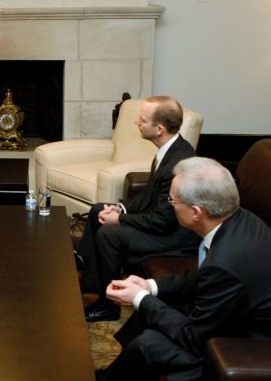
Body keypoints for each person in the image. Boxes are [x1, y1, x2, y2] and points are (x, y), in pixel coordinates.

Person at [99, 157, 271, 380]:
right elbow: (203, 277)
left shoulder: (226, 261)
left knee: (148, 344)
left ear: (196, 212)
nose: (170, 205)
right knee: (156, 303)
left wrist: (140, 298)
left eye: (172, 201)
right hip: (246, 321)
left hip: (266, 352)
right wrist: (149, 286)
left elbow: (193, 337)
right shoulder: (239, 220)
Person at [79, 96, 199, 322]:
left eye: (142, 120)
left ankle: (109, 305)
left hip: (173, 238)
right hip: (161, 222)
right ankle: (91, 280)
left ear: (159, 128)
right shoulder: (168, 149)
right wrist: (119, 208)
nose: (137, 122)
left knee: (109, 234)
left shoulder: (177, 164)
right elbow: (150, 194)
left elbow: (162, 222)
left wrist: (119, 220)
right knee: (97, 210)